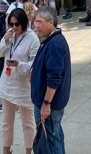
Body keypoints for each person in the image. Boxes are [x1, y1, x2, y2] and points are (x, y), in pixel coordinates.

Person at [0, 8, 41, 154]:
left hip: (24, 85)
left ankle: (29, 151)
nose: (14, 27)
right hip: (7, 83)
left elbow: (35, 64)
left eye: (17, 24)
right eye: (11, 24)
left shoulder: (32, 38)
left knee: (28, 123)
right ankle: (6, 150)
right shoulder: (10, 35)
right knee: (6, 122)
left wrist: (19, 65)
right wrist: (5, 39)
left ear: (23, 23)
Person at [31, 8, 71, 154]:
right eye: (35, 22)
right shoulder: (49, 40)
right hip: (46, 102)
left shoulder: (55, 44)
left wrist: (46, 104)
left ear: (51, 22)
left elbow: (54, 78)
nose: (36, 26)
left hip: (49, 104)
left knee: (51, 140)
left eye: (40, 22)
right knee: (55, 135)